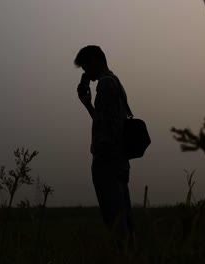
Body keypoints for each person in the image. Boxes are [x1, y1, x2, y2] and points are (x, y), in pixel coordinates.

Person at [74, 45, 134, 247]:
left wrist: (101, 157)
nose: (86, 73)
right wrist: (88, 105)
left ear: (95, 61)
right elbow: (106, 121)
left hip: (108, 162)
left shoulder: (106, 85)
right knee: (122, 216)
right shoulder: (114, 82)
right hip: (119, 160)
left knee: (115, 220)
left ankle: (123, 256)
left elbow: (107, 131)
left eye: (85, 67)